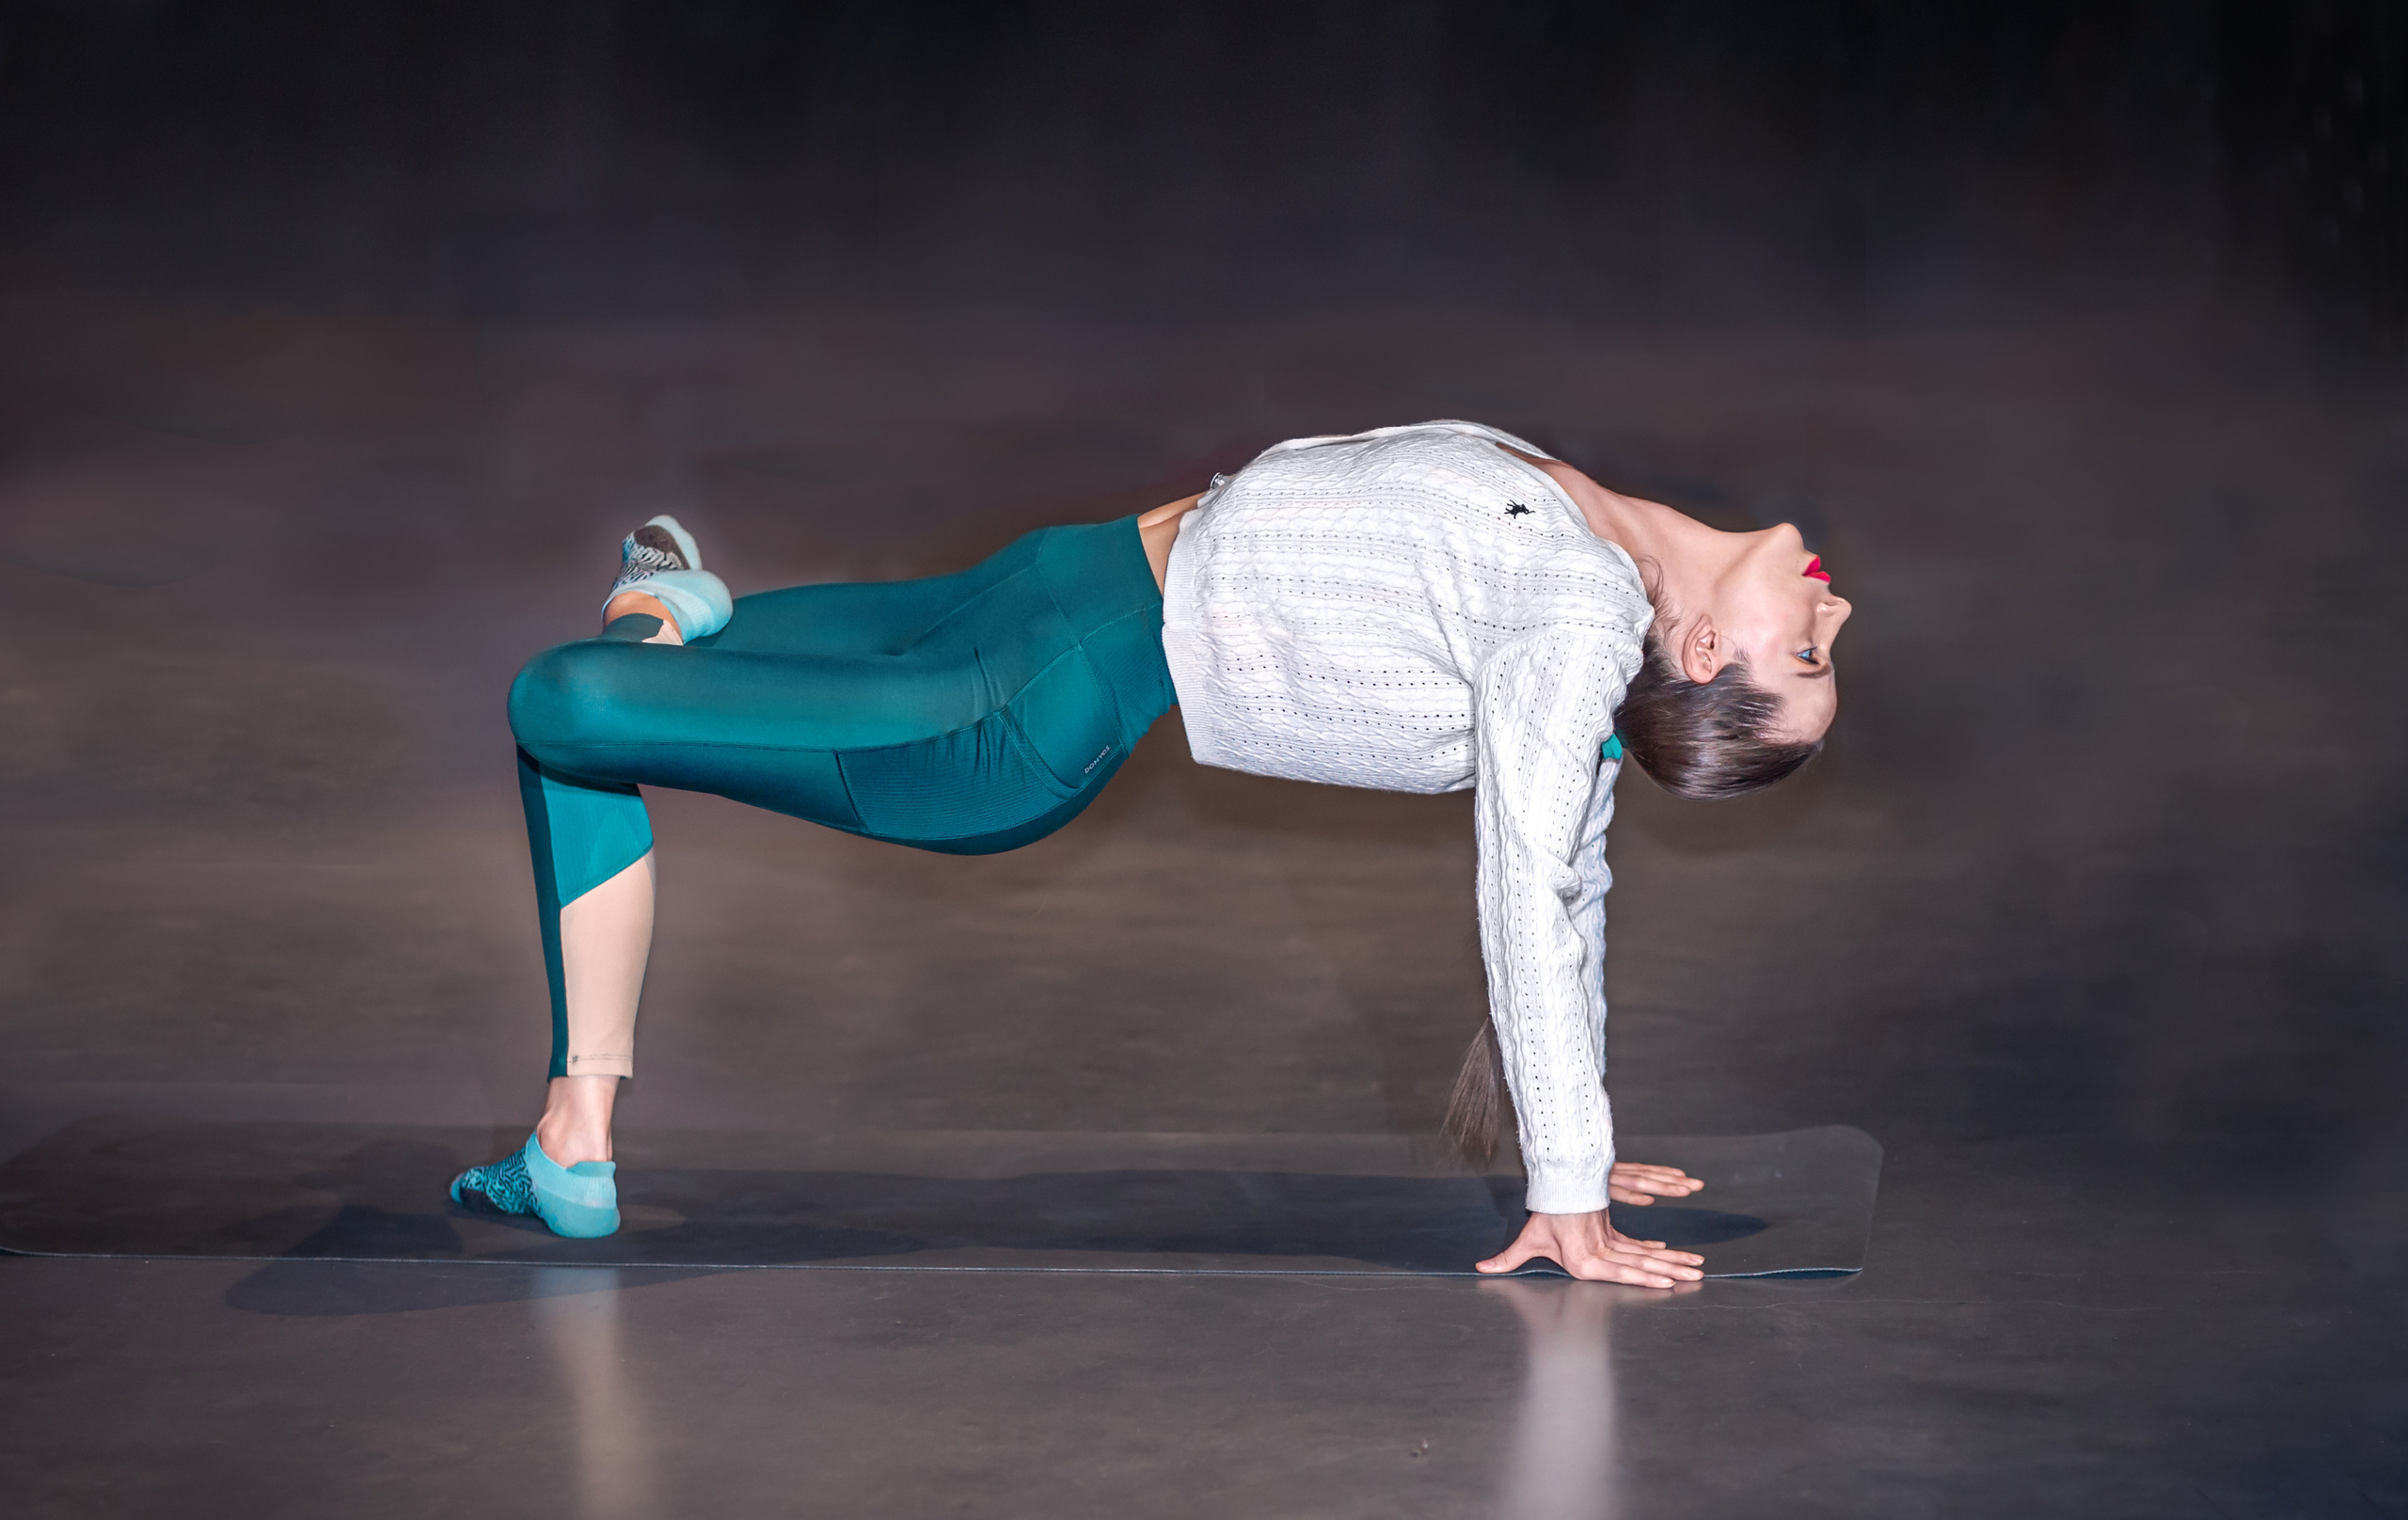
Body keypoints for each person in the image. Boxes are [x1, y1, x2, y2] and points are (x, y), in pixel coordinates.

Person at [449, 420, 1852, 1287]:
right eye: (1826, 650)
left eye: (1808, 656)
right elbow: (1584, 868)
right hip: (1059, 584)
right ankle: (573, 1142)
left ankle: (647, 628)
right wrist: (1590, 1140)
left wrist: (1567, 1185)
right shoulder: (1601, 547)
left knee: (565, 700)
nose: (1832, 617)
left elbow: (1545, 888)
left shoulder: (1577, 621)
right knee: (694, 632)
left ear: (1706, 652)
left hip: (1021, 711)